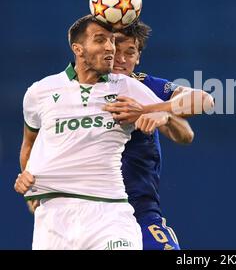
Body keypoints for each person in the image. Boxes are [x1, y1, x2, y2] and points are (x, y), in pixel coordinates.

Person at [13, 15, 170, 250]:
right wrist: (28, 176)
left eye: (112, 42)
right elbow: (29, 144)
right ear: (77, 48)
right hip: (54, 218)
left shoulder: (127, 85)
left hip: (110, 211)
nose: (110, 48)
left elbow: (193, 113)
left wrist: (160, 112)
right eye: (100, 40)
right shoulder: (39, 93)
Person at [102, 21, 213, 250]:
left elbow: (203, 101)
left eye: (130, 52)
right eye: (116, 51)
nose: (121, 60)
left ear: (138, 57)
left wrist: (158, 112)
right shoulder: (75, 90)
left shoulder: (145, 87)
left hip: (139, 213)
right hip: (93, 214)